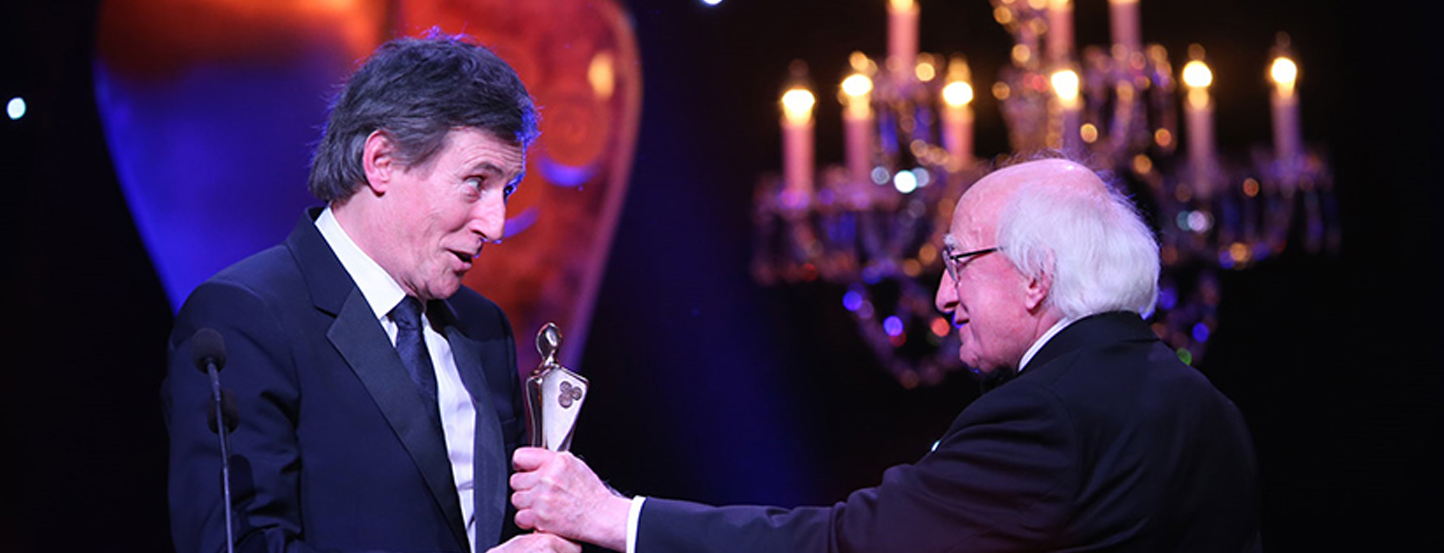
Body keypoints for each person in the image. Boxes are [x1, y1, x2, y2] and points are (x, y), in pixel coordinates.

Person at [508, 157, 1261, 552]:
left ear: (1035, 279)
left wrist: (615, 517)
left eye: (959, 261)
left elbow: (848, 545)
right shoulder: (1209, 407)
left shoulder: (1046, 411)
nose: (941, 296)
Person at [163, 33, 578, 553]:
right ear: (382, 160)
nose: (495, 225)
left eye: (507, 191)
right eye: (476, 182)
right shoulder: (244, 318)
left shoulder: (483, 329)